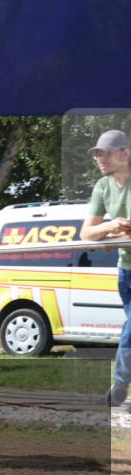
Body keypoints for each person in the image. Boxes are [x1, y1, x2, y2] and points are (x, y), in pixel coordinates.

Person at [79, 130, 131, 411]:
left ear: (125, 153)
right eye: (97, 154)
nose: (100, 158)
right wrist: (111, 229)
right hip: (126, 270)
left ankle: (121, 384)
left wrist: (113, 235)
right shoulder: (102, 186)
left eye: (106, 153)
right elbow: (87, 232)